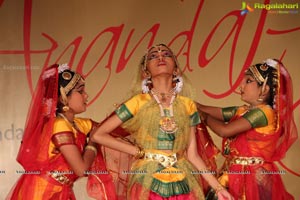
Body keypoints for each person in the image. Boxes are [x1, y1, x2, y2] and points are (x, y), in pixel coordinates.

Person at [91, 44, 233, 200]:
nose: (160, 57)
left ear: (176, 69)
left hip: (182, 179)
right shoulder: (138, 102)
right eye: (153, 56)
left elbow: (192, 155)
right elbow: (99, 135)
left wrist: (218, 188)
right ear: (146, 73)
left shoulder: (188, 105)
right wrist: (139, 152)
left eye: (166, 54)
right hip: (147, 180)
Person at [6, 64, 116, 200]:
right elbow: (81, 169)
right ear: (63, 97)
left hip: (61, 191)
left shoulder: (78, 124)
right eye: (81, 91)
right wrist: (93, 141)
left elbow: (110, 129)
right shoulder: (59, 125)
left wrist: (134, 107)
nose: (86, 95)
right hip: (43, 193)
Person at [197, 59, 298, 199]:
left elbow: (224, 131)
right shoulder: (243, 111)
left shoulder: (264, 113)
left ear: (265, 89)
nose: (241, 86)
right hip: (233, 175)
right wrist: (187, 103)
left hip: (254, 179)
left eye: (248, 81)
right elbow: (215, 111)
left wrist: (202, 116)